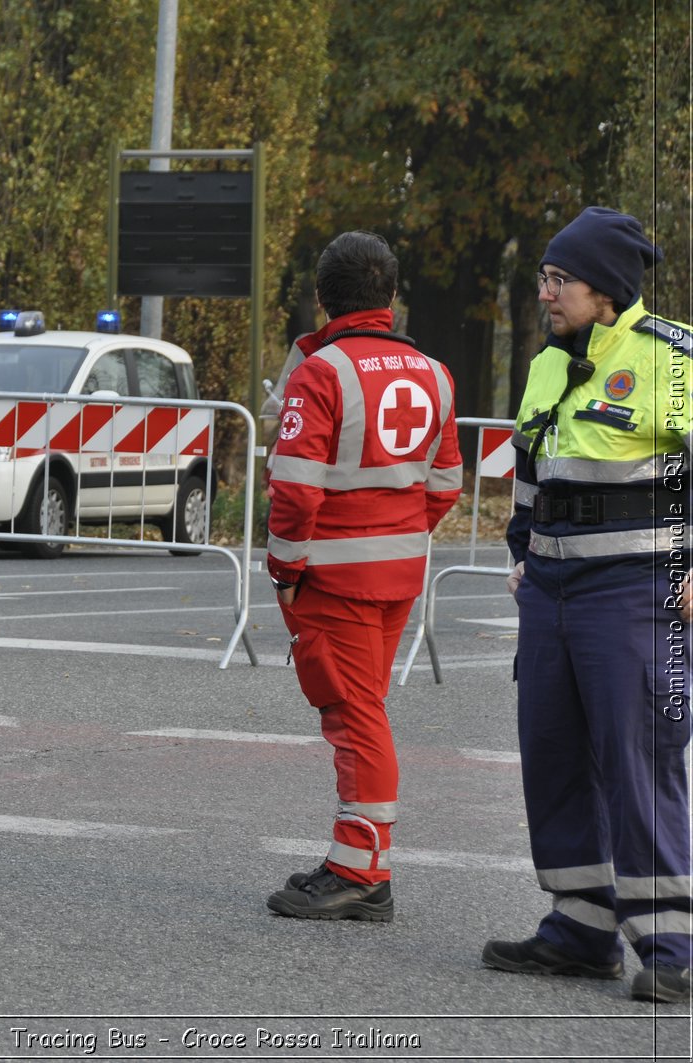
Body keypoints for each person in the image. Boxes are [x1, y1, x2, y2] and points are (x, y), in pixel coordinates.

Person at [483, 206, 691, 1004]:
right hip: (552, 591)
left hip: (634, 594)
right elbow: (532, 470)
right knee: (554, 753)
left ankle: (671, 943)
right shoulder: (547, 361)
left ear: (605, 290)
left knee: (640, 762)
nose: (546, 291)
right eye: (543, 276)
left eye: (559, 278)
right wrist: (520, 553)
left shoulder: (673, 357)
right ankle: (580, 927)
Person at [262, 230, 463, 922]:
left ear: (322, 298)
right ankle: (361, 859)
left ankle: (360, 867)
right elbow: (446, 481)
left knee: (355, 718)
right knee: (365, 710)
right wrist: (398, 535)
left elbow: (294, 487)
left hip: (334, 579)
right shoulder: (435, 372)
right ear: (392, 296)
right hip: (396, 576)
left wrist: (284, 566)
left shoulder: (320, 373)